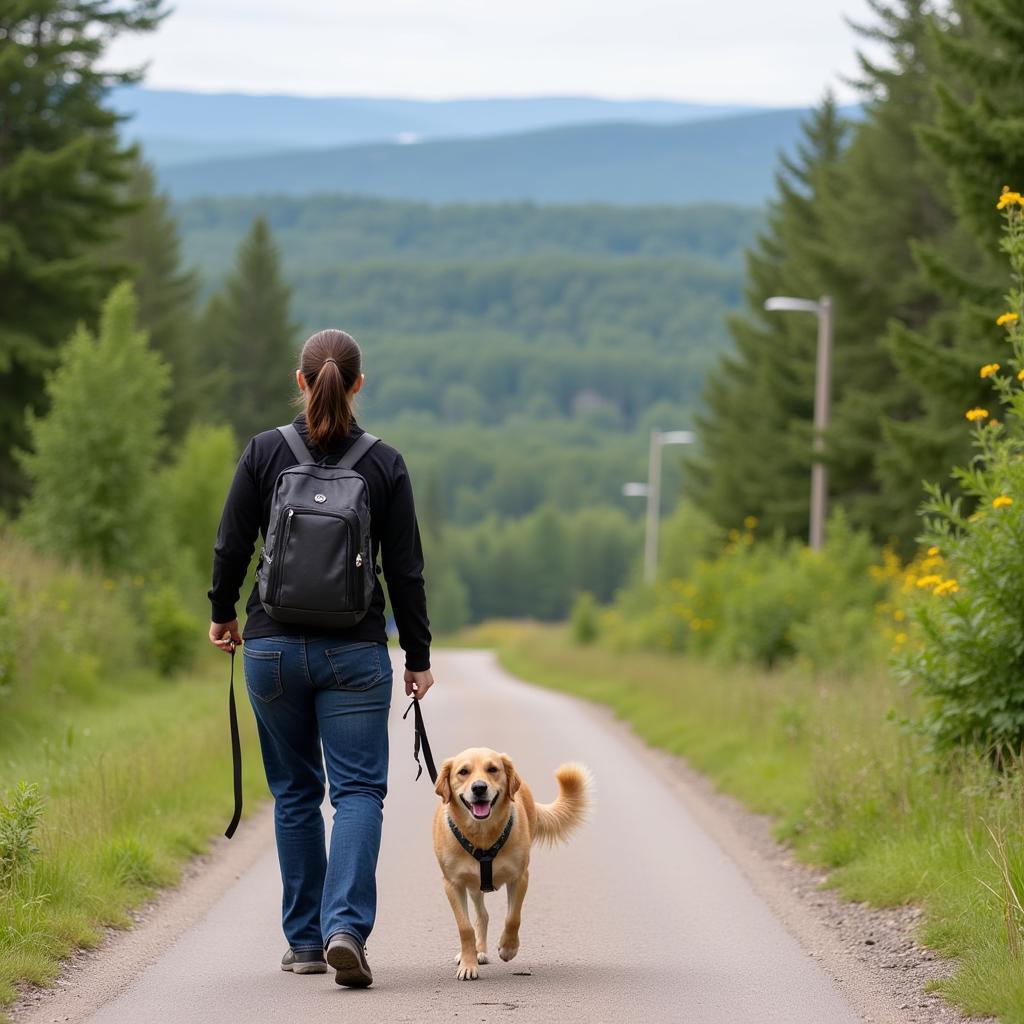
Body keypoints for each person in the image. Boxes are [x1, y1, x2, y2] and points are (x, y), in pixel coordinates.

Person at [207, 328, 433, 987]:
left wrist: (224, 612)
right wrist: (417, 655)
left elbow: (230, 545)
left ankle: (305, 941)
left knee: (296, 791)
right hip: (355, 653)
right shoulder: (384, 462)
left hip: (272, 647)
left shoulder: (264, 452)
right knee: (358, 790)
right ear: (358, 384)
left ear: (300, 380)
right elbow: (408, 572)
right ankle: (345, 929)